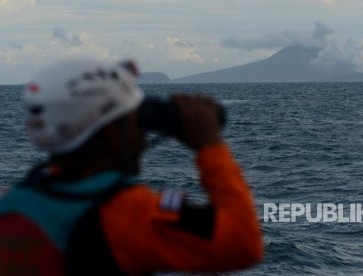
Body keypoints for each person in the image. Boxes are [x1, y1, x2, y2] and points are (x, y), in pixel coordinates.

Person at [0, 57, 263, 275]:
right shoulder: (127, 212)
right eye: (132, 122)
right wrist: (210, 145)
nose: (141, 134)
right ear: (114, 133)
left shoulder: (14, 202)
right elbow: (242, 243)